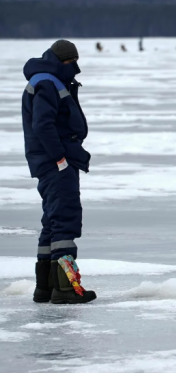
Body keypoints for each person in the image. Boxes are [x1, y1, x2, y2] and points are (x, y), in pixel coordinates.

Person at [22, 40, 97, 304]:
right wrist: (60, 158)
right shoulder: (47, 82)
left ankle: (45, 287)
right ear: (60, 61)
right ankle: (65, 289)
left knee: (52, 221)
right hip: (56, 162)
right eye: (70, 62)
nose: (74, 67)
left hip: (50, 161)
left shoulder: (50, 80)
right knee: (65, 218)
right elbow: (42, 125)